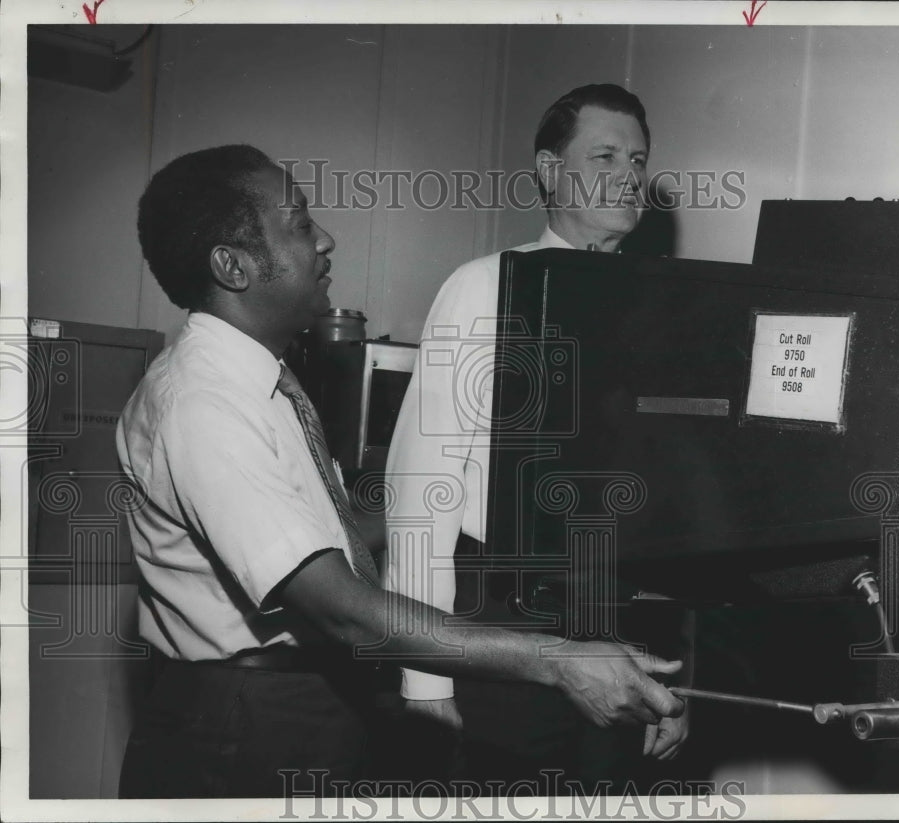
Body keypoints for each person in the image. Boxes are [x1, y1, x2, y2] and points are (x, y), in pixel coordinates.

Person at [115, 143, 685, 799]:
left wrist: (458, 492)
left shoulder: (255, 382)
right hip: (246, 723)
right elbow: (341, 610)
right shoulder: (202, 403)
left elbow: (332, 530)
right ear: (233, 265)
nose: (325, 238)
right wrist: (557, 663)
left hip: (302, 703)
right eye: (299, 223)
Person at [385, 84, 690, 792]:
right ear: (550, 171)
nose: (628, 174)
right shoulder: (485, 288)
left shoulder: (666, 309)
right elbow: (422, 493)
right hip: (502, 622)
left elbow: (676, 513)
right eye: (605, 154)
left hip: (621, 617)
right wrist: (426, 683)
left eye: (638, 159)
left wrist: (677, 678)